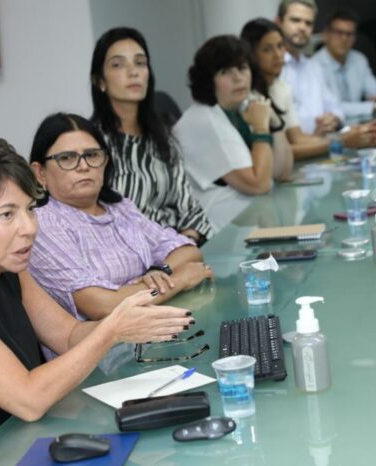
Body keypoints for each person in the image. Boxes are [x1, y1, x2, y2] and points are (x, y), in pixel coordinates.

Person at [0, 136, 193, 465]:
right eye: (7, 215)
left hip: (7, 451)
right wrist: (110, 330)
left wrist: (127, 324)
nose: (28, 228)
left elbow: (68, 336)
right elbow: (28, 398)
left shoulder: (8, 272)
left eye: (29, 210)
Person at [28, 113, 213, 334]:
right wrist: (179, 280)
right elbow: (103, 306)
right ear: (40, 173)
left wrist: (160, 270)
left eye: (92, 155)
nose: (83, 166)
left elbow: (188, 251)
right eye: (67, 158)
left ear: (105, 161)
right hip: (104, 358)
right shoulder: (43, 224)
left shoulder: (119, 207)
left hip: (155, 331)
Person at [90, 27, 213, 245]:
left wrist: (185, 243)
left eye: (140, 63)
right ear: (100, 80)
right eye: (118, 64)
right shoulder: (91, 145)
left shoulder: (162, 136)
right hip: (128, 259)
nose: (133, 72)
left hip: (179, 249)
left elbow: (190, 207)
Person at [174, 35, 294, 230]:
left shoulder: (238, 109)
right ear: (208, 81)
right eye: (225, 72)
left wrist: (274, 121)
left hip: (246, 221)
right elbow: (259, 184)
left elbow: (283, 172)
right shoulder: (203, 120)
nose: (238, 77)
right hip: (218, 234)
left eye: (242, 68)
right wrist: (261, 129)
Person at [240, 17, 376, 159]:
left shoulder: (280, 87)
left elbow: (298, 138)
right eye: (267, 49)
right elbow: (281, 153)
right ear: (252, 54)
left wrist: (353, 135)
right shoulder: (249, 97)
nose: (278, 55)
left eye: (280, 46)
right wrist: (341, 141)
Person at [312, 9, 376, 118]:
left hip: (359, 123)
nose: (344, 39)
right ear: (325, 35)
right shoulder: (314, 66)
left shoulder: (359, 59)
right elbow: (331, 107)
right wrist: (374, 106)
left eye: (349, 34)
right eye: (339, 33)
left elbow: (375, 91)